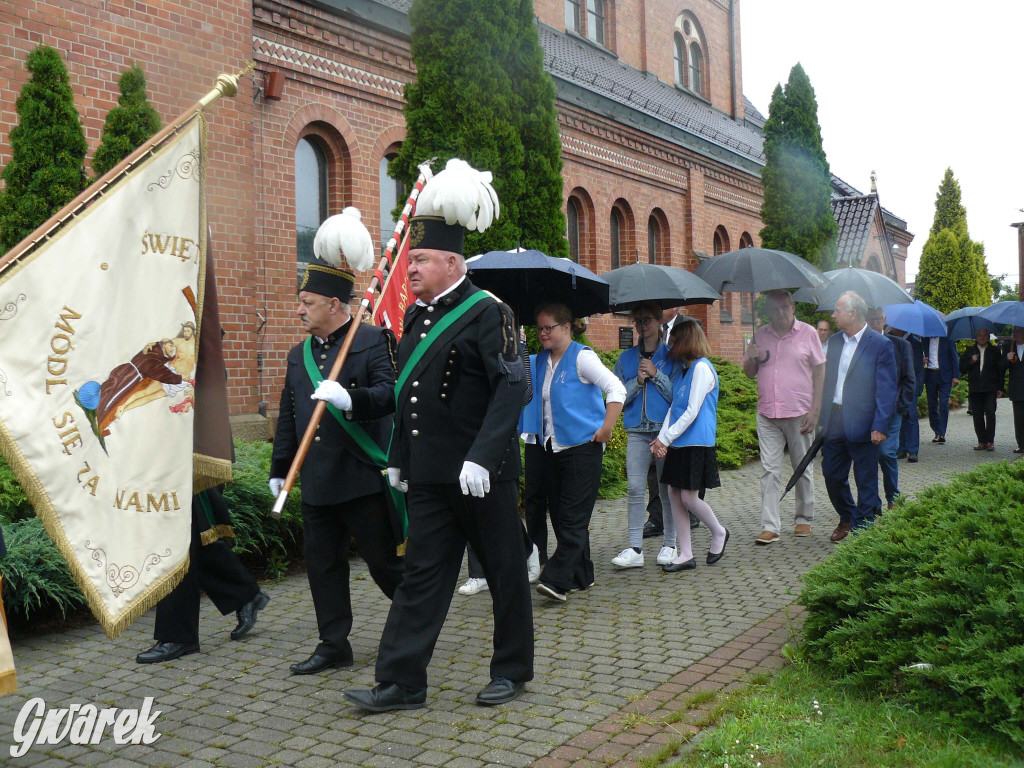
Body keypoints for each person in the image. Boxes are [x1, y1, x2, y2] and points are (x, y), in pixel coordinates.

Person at [345, 159, 533, 712]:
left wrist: (481, 458)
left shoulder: (490, 313)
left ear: (452, 261)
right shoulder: (417, 323)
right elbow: (408, 398)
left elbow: (511, 389)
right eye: (410, 260)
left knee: (503, 574)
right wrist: (401, 458)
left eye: (421, 260)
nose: (412, 270)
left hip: (483, 476)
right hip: (430, 477)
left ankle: (512, 670)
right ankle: (402, 682)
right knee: (420, 579)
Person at [270, 255, 404, 675]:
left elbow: (391, 394)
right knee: (323, 566)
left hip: (362, 475)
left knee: (386, 565)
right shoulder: (298, 355)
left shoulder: (371, 340)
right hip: (318, 481)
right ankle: (333, 644)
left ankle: (414, 629)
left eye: (306, 302)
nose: (299, 310)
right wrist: (281, 468)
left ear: (333, 303)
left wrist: (352, 399)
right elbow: (290, 415)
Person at [522, 302, 625, 601]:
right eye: (539, 328)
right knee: (563, 515)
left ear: (567, 328)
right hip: (550, 448)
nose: (542, 333)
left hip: (583, 448)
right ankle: (583, 574)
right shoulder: (539, 361)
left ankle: (556, 580)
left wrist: (607, 429)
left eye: (548, 328)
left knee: (572, 519)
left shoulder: (583, 358)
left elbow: (616, 389)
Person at [136, 487, 270, 663]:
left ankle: (177, 635)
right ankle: (244, 595)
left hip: (178, 469)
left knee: (175, 538)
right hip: (174, 470)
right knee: (197, 536)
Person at [743, 290, 824, 544]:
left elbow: (820, 371)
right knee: (769, 470)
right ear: (768, 310)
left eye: (785, 307)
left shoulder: (808, 333)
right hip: (767, 412)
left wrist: (815, 410)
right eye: (775, 308)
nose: (781, 313)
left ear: (793, 308)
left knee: (803, 466)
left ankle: (803, 519)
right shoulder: (760, 335)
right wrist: (752, 358)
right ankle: (770, 525)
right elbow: (747, 373)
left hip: (799, 412)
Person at [651, 320, 729, 571]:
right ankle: (686, 553)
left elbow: (693, 411)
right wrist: (662, 438)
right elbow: (675, 408)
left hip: (697, 442)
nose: (669, 347)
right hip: (680, 442)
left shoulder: (702, 369)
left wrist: (666, 438)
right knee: (675, 494)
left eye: (673, 342)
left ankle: (718, 532)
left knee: (688, 496)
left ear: (684, 342)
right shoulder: (685, 372)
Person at [819, 291, 897, 542]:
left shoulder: (880, 344)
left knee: (866, 480)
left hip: (865, 424)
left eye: (838, 311)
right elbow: (828, 382)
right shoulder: (835, 341)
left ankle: (863, 531)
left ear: (852, 313)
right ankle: (848, 515)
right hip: (835, 421)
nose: (833, 315)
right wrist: (822, 418)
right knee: (831, 474)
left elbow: (886, 389)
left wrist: (880, 425)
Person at [610, 302, 678, 568]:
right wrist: (637, 382)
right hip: (637, 431)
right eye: (637, 321)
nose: (641, 326)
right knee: (635, 487)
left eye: (646, 320)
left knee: (666, 489)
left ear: (659, 322)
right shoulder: (625, 359)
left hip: (664, 432)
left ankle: (670, 544)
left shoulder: (673, 356)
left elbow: (678, 397)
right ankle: (635, 547)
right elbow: (617, 397)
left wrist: (657, 374)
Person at [866, 307, 915, 511]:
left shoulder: (901, 345)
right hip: (866, 410)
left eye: (879, 320)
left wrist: (899, 405)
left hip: (892, 411)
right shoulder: (861, 345)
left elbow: (910, 379)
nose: (876, 324)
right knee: (868, 457)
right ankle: (872, 502)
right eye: (872, 321)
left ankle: (893, 497)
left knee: (886, 453)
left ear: (885, 320)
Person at [959, 327, 1004, 451]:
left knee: (990, 413)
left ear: (988, 337)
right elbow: (962, 368)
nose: (982, 337)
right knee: (977, 415)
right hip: (975, 388)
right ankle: (981, 441)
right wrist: (971, 361)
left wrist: (1000, 388)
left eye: (985, 335)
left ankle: (990, 441)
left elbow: (999, 370)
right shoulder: (970, 351)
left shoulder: (994, 351)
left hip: (990, 388)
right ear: (976, 337)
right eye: (979, 335)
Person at [892, 328, 924, 462]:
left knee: (911, 415)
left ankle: (913, 450)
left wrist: (918, 385)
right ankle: (902, 448)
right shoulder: (891, 340)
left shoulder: (915, 342)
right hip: (895, 385)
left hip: (910, 385)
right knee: (900, 414)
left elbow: (917, 366)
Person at [923, 334, 959, 444]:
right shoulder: (924, 339)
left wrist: (956, 376)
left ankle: (942, 432)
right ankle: (936, 431)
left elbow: (954, 357)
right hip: (930, 375)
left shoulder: (948, 339)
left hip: (945, 375)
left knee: (944, 403)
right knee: (932, 404)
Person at [1002, 326, 1024, 453]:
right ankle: (1021, 444)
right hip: (1017, 388)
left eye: (1018, 331)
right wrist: (1007, 359)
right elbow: (1000, 367)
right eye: (1014, 331)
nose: (1015, 334)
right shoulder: (1008, 348)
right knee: (1019, 417)